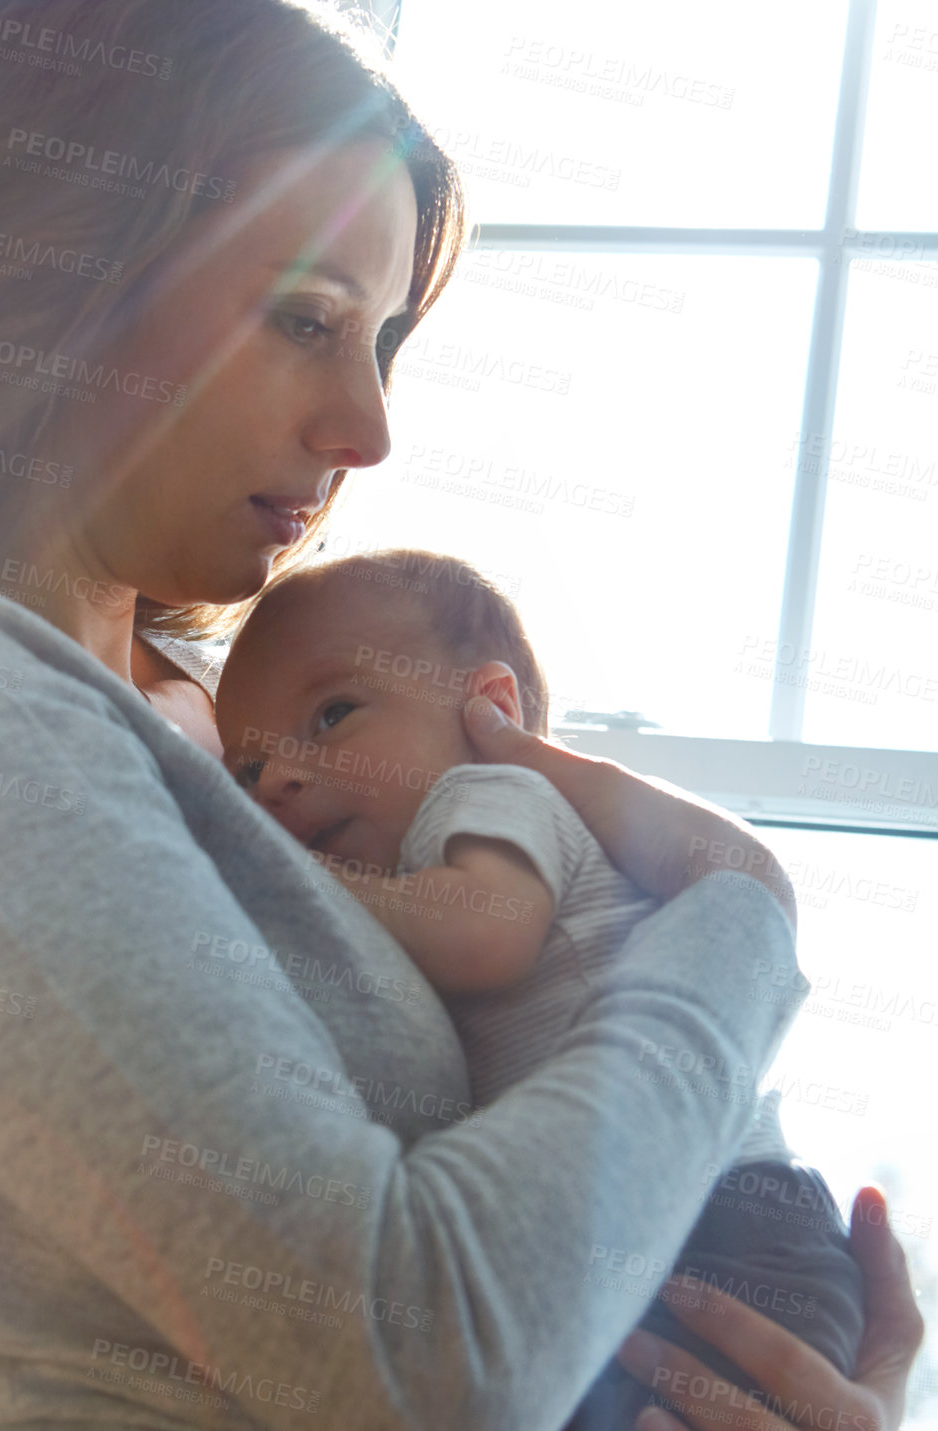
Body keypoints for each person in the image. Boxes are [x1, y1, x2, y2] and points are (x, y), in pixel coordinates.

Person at [0, 2, 921, 1428]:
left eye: (382, 338)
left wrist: (786, 1378)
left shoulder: (231, 721)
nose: (369, 427)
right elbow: (418, 1356)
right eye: (308, 319)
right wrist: (745, 914)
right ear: (49, 271)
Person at [212, 548, 867, 1429]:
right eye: (247, 772)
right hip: (682, 1226)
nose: (279, 779)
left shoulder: (487, 792)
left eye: (333, 714)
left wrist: (277, 874)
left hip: (725, 1223)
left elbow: (486, 929)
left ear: (492, 708)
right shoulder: (410, 874)